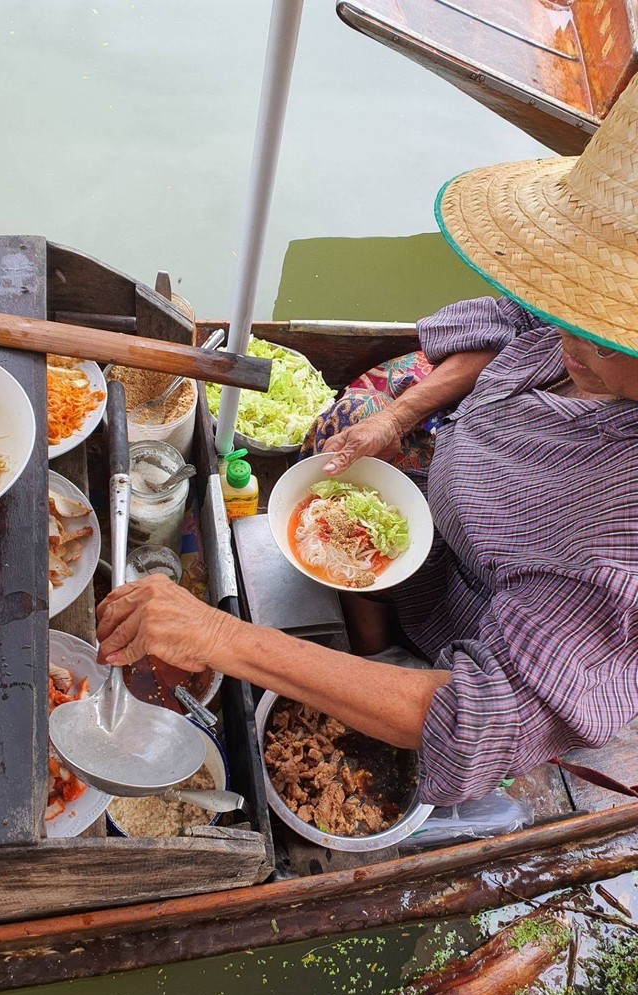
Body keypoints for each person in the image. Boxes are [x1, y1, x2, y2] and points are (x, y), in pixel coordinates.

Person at [96, 74, 638, 807]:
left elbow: (474, 719)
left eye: (603, 339)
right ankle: (372, 617)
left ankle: (383, 645)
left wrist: (219, 637)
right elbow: (515, 326)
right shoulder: (576, 326)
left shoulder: (616, 534)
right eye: (570, 314)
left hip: (486, 616)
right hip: (452, 479)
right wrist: (399, 417)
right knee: (342, 430)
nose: (571, 343)